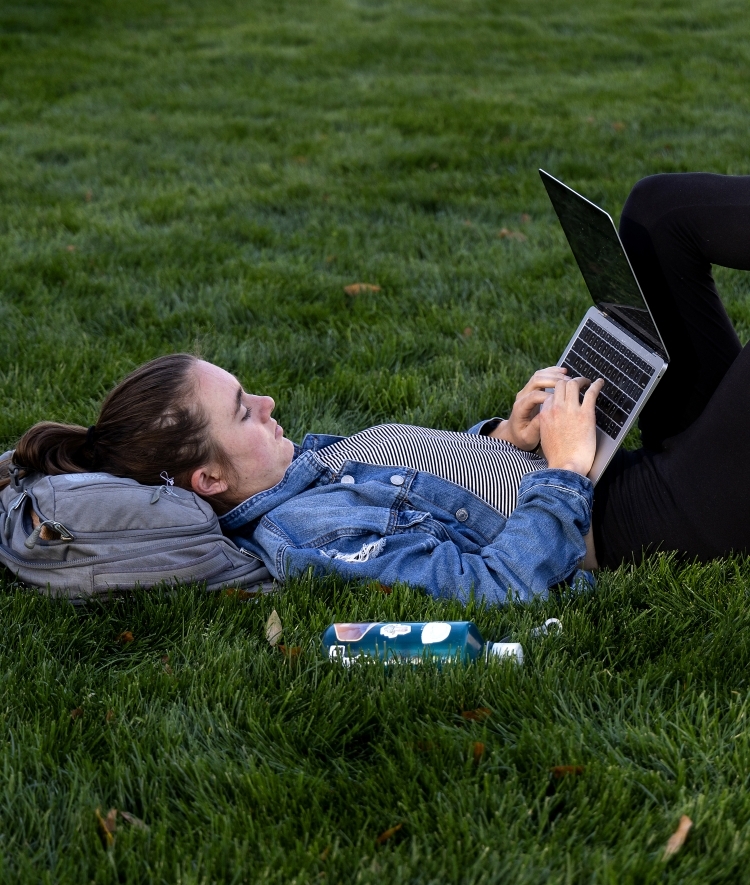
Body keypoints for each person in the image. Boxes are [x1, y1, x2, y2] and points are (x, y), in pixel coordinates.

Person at [4, 172, 750, 605]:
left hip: (613, 464)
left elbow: (446, 494)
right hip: (633, 527)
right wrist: (557, 471)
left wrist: (506, 437)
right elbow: (493, 586)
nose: (266, 403)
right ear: (209, 477)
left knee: (658, 213)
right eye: (242, 412)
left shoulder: (306, 468)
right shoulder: (309, 534)